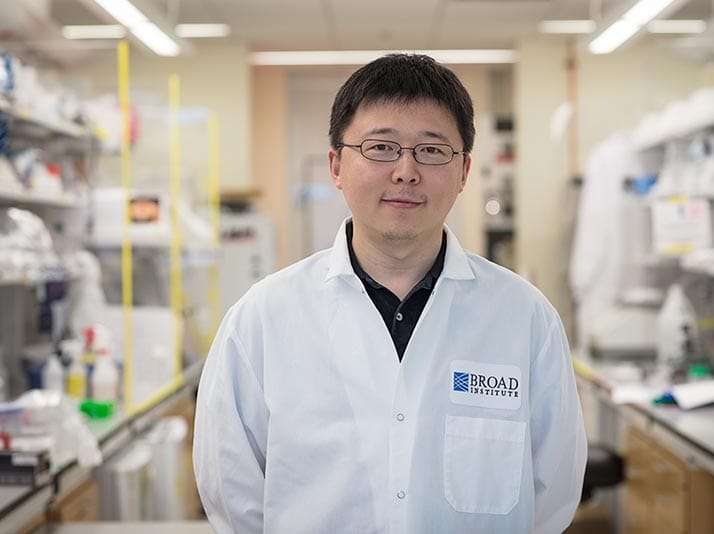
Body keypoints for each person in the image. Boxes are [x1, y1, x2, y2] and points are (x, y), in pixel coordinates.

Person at [193, 53, 587, 534]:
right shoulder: (261, 319)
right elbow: (232, 493)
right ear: (337, 165)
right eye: (381, 147)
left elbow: (553, 490)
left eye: (432, 150)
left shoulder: (526, 319)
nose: (405, 171)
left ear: (463, 172)